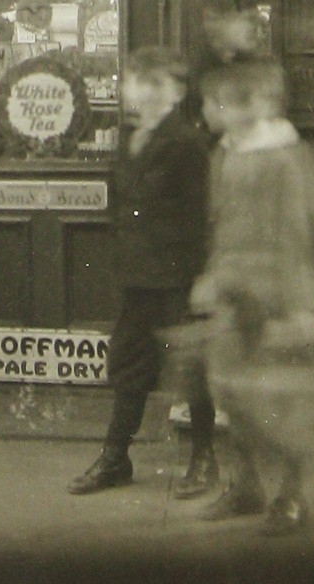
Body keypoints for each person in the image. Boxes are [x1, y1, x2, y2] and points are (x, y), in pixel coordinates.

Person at [67, 47, 218, 498]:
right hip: (137, 277)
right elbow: (120, 208)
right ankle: (116, 457)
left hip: (176, 277)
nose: (145, 93)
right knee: (129, 366)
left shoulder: (186, 144)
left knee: (191, 368)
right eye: (138, 83)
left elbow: (200, 218)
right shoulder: (131, 139)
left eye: (156, 84)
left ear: (176, 92)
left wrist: (199, 279)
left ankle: (204, 460)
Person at [190, 59, 314, 537]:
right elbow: (220, 223)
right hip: (234, 289)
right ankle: (246, 485)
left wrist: (296, 306)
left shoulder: (286, 158)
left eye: (214, 103)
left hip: (275, 293)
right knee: (233, 391)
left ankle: (293, 495)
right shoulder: (225, 154)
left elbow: (298, 231)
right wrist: (213, 275)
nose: (207, 111)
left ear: (247, 106)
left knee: (284, 399)